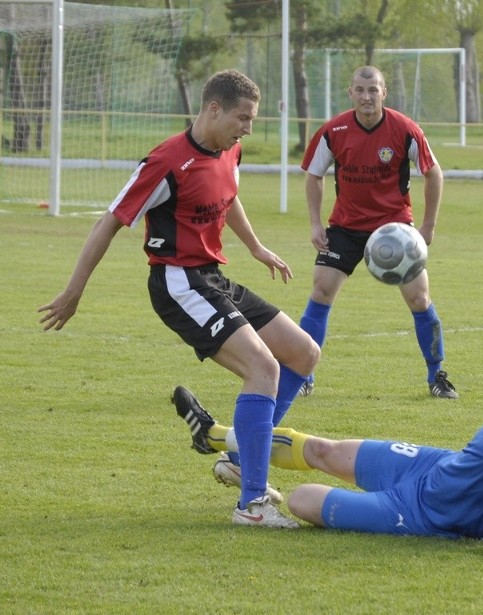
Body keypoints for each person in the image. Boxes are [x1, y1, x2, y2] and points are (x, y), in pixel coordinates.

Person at [38, 69, 320, 529]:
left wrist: (254, 247)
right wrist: (74, 291)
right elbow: (108, 222)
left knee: (303, 353)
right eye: (243, 118)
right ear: (213, 109)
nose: (248, 128)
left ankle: (239, 458)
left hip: (213, 277)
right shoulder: (166, 162)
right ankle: (252, 505)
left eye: (252, 119)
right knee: (263, 368)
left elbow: (229, 196)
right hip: (178, 282)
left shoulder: (229, 148)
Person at [174, 333, 483, 561]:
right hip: (430, 467)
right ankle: (214, 436)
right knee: (322, 451)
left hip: (425, 514)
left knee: (300, 500)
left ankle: (222, 445)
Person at [297, 65, 457, 400]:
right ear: (350, 92)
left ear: (384, 92)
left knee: (419, 298)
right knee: (321, 290)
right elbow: (314, 175)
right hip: (345, 226)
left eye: (374, 90)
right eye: (360, 89)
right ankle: (302, 373)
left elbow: (434, 173)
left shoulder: (404, 129)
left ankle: (437, 375)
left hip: (395, 230)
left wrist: (428, 225)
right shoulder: (334, 130)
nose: (367, 96)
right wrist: (315, 223)